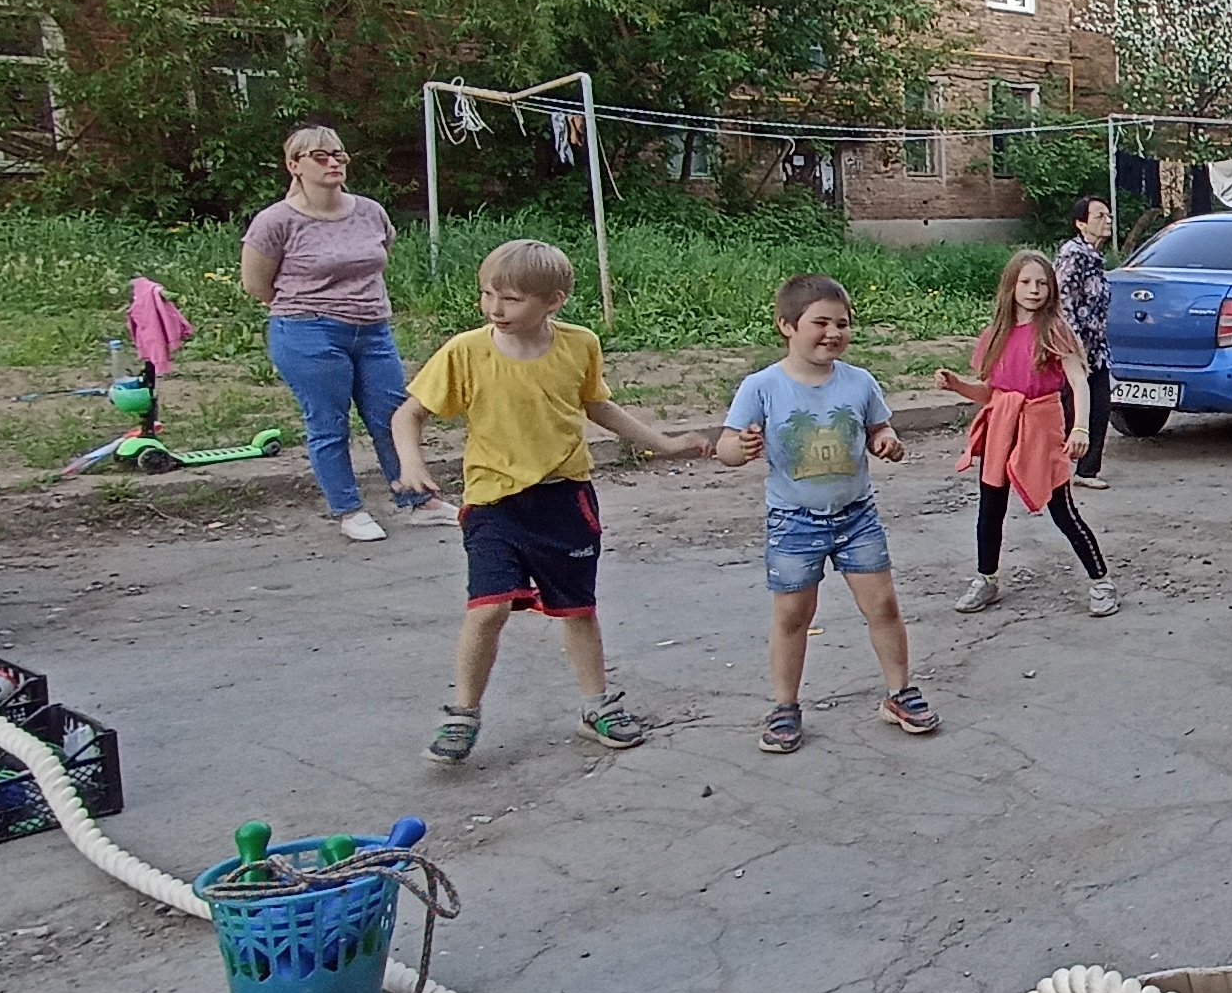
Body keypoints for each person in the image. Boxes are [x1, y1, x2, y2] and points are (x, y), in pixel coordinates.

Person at [391, 240, 712, 766]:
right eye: (487, 294)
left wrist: (664, 443)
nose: (495, 308)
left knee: (578, 609)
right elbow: (409, 414)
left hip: (565, 500)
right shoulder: (466, 351)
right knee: (488, 608)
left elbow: (598, 406)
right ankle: (462, 713)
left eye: (511, 298)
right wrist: (411, 464)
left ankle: (596, 707)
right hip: (494, 502)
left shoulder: (580, 345)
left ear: (553, 301)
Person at [714, 276, 935, 753]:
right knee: (793, 614)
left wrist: (887, 442)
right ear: (787, 326)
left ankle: (899, 693)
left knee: (883, 606)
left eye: (842, 323)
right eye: (821, 323)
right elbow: (726, 445)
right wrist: (740, 448)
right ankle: (785, 706)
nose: (833, 333)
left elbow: (880, 429)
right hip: (793, 521)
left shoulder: (859, 382)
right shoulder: (762, 387)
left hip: (857, 516)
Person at [241, 124, 455, 542]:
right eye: (320, 156)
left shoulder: (370, 211)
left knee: (393, 416)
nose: (333, 163)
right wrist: (306, 306)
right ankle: (348, 509)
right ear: (294, 165)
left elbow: (380, 255)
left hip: (373, 330)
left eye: (338, 155)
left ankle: (417, 500)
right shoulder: (276, 221)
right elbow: (256, 283)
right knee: (328, 422)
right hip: (307, 331)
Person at [936, 251, 1117, 618]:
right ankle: (986, 579)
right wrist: (957, 386)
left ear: (1051, 289)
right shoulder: (995, 335)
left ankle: (1101, 582)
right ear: (1011, 287)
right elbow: (991, 393)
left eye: (1042, 283)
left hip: (1041, 426)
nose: (1034, 290)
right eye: (1026, 282)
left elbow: (1079, 381)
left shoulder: (1055, 330)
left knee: (1062, 510)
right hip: (1001, 426)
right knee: (990, 508)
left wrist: (1080, 427)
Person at [1058, 195, 1116, 490]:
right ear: (1081, 224)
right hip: (1074, 349)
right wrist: (1073, 346)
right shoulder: (1074, 254)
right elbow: (1063, 301)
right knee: (1071, 409)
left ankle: (1087, 470)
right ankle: (1057, 468)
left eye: (1108, 216)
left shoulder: (1095, 257)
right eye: (1099, 216)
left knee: (1100, 406)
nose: (1107, 221)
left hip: (1097, 350)